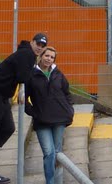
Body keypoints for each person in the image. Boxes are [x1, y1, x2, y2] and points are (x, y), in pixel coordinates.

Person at [0, 33, 49, 184]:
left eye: (43, 46)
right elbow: (23, 77)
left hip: (1, 95)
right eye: (38, 43)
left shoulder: (28, 55)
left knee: (8, 128)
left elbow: (23, 76)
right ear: (32, 42)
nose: (40, 47)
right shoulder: (27, 54)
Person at [25, 46, 74, 184]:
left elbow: (67, 93)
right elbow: (24, 99)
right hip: (42, 121)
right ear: (41, 56)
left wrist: (69, 110)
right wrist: (34, 112)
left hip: (60, 119)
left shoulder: (58, 74)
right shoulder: (31, 75)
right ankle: (50, 182)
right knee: (49, 153)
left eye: (52, 57)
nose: (49, 59)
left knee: (57, 153)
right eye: (47, 56)